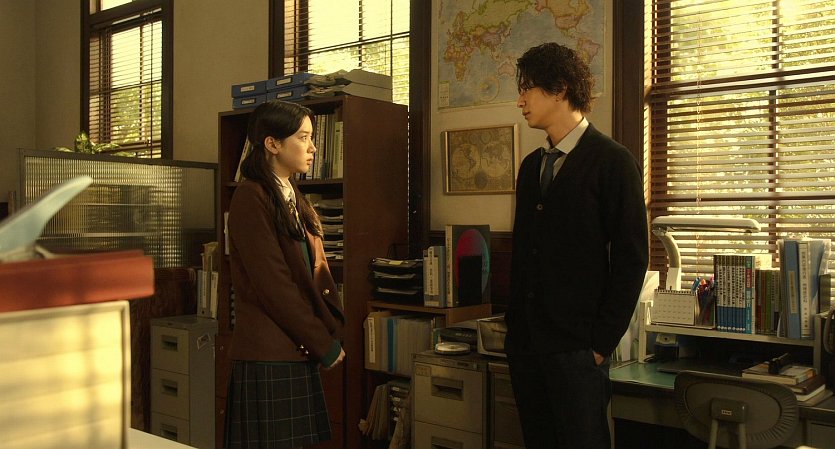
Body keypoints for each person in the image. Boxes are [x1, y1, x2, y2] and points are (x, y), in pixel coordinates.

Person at [505, 42, 649, 449]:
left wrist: (601, 345)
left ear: (560, 89)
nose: (520, 101)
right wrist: (514, 332)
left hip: (577, 350)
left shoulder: (612, 162)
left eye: (528, 89)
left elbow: (632, 259)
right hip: (527, 348)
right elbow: (523, 255)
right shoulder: (532, 167)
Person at [225, 100, 346, 449]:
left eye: (312, 138)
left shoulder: (292, 195)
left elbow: (314, 275)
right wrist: (322, 343)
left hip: (295, 347)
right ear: (272, 144)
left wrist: (330, 330)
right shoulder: (251, 196)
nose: (313, 147)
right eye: (303, 138)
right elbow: (275, 286)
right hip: (270, 352)